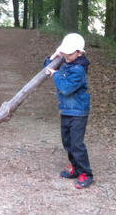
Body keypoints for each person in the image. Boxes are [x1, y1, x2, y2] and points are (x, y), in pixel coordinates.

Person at [44, 32, 93, 189]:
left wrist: (56, 74)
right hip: (66, 110)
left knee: (77, 144)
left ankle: (86, 173)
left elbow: (66, 88)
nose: (66, 56)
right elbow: (46, 68)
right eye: (64, 52)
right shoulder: (67, 61)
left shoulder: (79, 69)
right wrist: (55, 56)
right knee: (67, 142)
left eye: (70, 53)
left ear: (79, 52)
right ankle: (76, 168)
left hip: (78, 112)